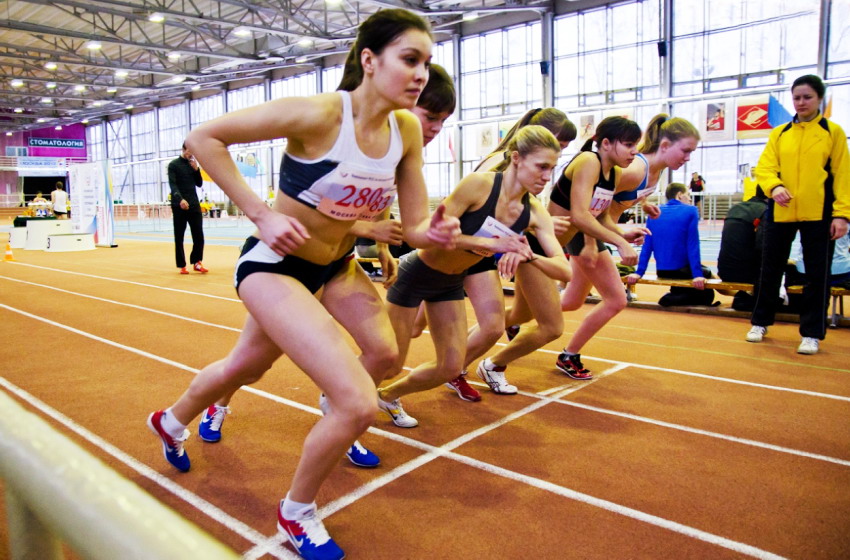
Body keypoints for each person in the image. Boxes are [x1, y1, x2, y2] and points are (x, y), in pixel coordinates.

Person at [146, 10, 460, 560]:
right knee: (356, 401)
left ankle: (171, 421)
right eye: (410, 60)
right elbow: (203, 137)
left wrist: (432, 230)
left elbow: (413, 228)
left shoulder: (406, 129)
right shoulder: (318, 113)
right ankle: (296, 512)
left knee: (375, 353)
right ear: (369, 59)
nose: (420, 75)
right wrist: (260, 214)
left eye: (426, 63)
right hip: (273, 267)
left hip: (335, 268)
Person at [195, 62, 457, 467]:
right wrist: (368, 230)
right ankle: (217, 403)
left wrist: (383, 247)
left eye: (443, 120)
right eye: (430, 116)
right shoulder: (334, 128)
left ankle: (344, 414)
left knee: (383, 352)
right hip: (284, 263)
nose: (436, 127)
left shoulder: (397, 146)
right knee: (250, 365)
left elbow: (375, 208)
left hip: (337, 265)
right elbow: (325, 212)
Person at [376, 125, 571, 427]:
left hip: (450, 284)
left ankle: (388, 395)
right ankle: (340, 396)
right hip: (416, 274)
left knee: (449, 366)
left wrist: (530, 255)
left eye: (552, 169)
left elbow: (564, 269)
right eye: (542, 167)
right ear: (517, 158)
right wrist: (491, 244)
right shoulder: (478, 185)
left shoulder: (534, 212)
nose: (547, 177)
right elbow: (425, 235)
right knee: (388, 361)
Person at [444, 107, 577, 400]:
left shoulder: (531, 183)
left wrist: (535, 223)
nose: (555, 157)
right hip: (456, 256)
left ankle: (459, 365)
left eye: (562, 151)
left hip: (498, 251)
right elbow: (457, 219)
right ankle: (463, 366)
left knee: (514, 317)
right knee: (408, 334)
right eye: (555, 144)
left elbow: (521, 212)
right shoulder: (491, 170)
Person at [747, 74, 849, 355]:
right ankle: (760, 322)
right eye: (796, 97)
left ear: (819, 99)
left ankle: (812, 333)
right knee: (770, 269)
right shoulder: (779, 134)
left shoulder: (833, 133)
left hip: (820, 213)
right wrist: (774, 186)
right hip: (780, 212)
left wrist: (842, 215)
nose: (801, 102)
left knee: (818, 275)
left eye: (807, 97)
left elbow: (842, 176)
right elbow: (765, 168)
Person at [548, 116, 646, 379]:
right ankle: (567, 354)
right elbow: (581, 216)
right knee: (616, 299)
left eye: (636, 145)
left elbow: (600, 214)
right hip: (553, 240)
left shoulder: (612, 171)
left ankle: (509, 322)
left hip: (576, 236)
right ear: (605, 143)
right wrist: (620, 242)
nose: (634, 151)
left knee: (570, 301)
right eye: (628, 144)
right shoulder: (588, 162)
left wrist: (622, 230)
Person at [626, 183, 715, 306]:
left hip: (662, 271)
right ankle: (738, 294)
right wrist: (697, 275)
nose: (690, 199)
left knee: (703, 290)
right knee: (709, 280)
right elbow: (692, 244)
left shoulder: (655, 212)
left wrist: (639, 272)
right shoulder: (691, 211)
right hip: (681, 270)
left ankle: (674, 296)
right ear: (679, 195)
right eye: (688, 195)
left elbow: (647, 246)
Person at [717, 192, 769, 311]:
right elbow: (762, 247)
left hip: (724, 270)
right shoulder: (765, 211)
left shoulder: (734, 208)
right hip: (747, 274)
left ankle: (745, 297)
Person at [169, 143, 208, 274]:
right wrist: (180, 199)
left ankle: (197, 261)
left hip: (194, 204)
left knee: (199, 235)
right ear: (183, 149)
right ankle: (182, 265)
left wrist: (196, 170)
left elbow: (199, 183)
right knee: (179, 236)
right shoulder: (173, 165)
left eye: (193, 152)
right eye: (189, 152)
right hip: (179, 205)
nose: (190, 154)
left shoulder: (193, 165)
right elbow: (173, 185)